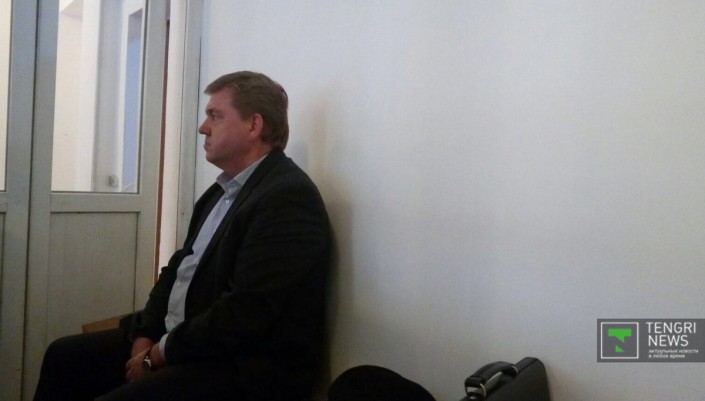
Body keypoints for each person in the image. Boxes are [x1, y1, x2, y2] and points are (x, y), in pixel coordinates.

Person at [33, 71, 332, 401]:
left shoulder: (287, 197)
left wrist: (157, 355)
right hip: (187, 341)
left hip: (241, 367)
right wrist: (145, 334)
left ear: (254, 125)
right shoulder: (221, 192)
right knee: (65, 357)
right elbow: (177, 269)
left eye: (215, 115)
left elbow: (244, 313)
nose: (203, 127)